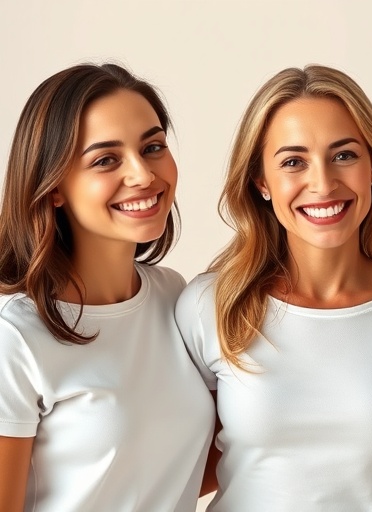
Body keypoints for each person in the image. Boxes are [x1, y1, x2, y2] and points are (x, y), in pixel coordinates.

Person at [175, 65, 372, 511]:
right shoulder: (211, 306)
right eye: (293, 162)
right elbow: (181, 464)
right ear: (261, 183)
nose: (323, 183)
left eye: (344, 155)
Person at [0, 63, 214, 511]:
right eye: (105, 159)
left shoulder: (176, 297)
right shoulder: (14, 336)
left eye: (152, 147)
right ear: (54, 185)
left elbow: (182, 462)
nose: (142, 174)